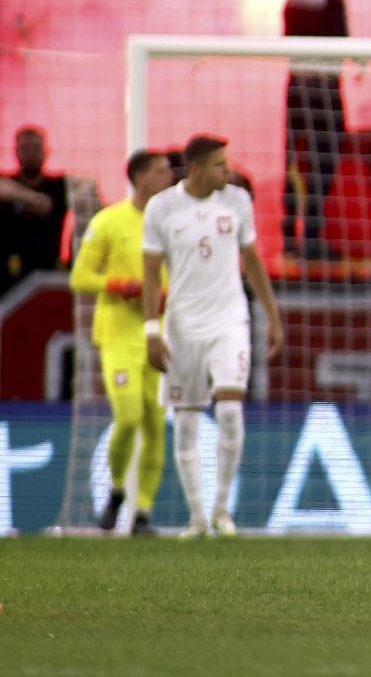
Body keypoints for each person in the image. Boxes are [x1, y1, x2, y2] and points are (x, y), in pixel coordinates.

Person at [142, 135, 286, 538]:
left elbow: (253, 263)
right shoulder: (162, 207)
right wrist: (152, 330)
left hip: (229, 320)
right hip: (182, 326)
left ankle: (223, 510)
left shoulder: (238, 200)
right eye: (220, 164)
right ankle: (197, 517)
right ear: (198, 168)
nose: (228, 170)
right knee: (186, 421)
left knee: (228, 410)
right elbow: (151, 274)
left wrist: (272, 317)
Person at [69, 150, 175, 535]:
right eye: (163, 170)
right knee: (128, 417)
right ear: (141, 176)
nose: (170, 176)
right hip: (116, 334)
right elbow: (79, 277)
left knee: (156, 426)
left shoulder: (171, 221)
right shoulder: (109, 221)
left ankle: (143, 513)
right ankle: (116, 492)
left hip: (159, 335)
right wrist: (116, 284)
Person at [282, 0, 348, 257]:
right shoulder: (332, 0)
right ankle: (312, 235)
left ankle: (287, 233)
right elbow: (340, 47)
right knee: (323, 162)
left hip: (296, 89)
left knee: (293, 160)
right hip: (322, 92)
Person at [1, 126, 68, 297]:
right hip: (10, 274)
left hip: (48, 270)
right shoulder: (8, 182)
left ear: (46, 151)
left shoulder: (59, 186)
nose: (30, 153)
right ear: (16, 152)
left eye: (36, 148)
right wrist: (29, 198)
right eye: (25, 148)